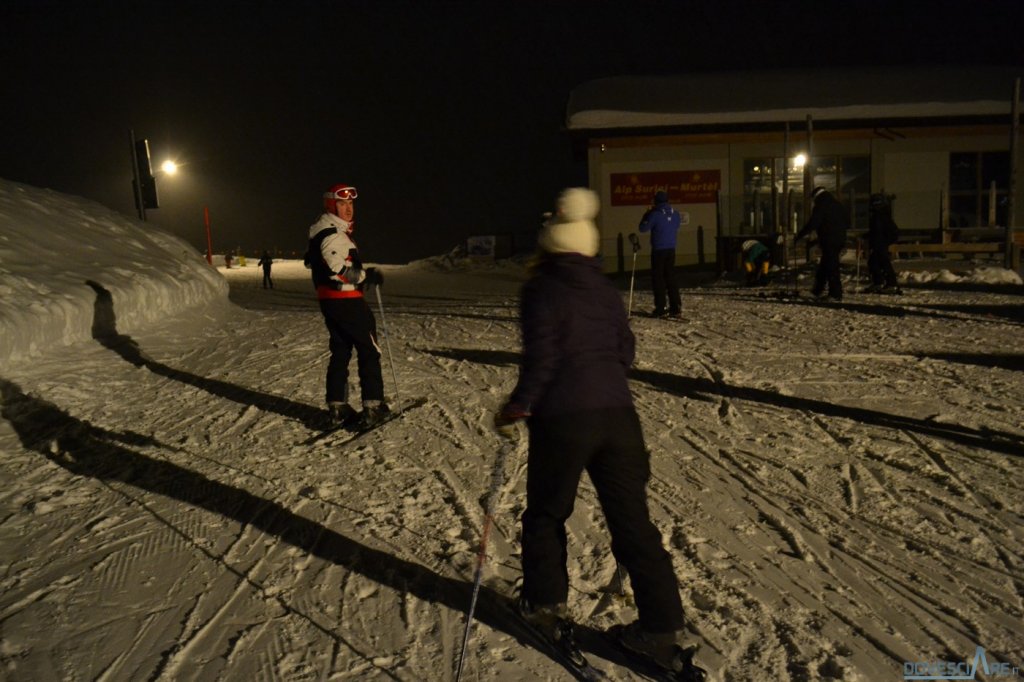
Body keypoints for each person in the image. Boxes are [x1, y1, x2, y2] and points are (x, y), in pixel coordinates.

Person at [495, 188, 702, 675]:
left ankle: (545, 607)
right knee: (635, 529)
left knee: (546, 514)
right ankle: (662, 634)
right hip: (618, 418)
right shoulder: (605, 288)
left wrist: (518, 406)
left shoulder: (541, 287)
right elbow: (625, 349)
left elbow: (542, 358)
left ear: (549, 242)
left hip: (565, 418)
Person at [305, 183, 388, 430]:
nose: (348, 208)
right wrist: (365, 276)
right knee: (369, 350)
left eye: (351, 203)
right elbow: (335, 269)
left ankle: (338, 406)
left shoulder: (321, 231)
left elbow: (313, 262)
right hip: (347, 302)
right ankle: (373, 407)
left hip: (330, 302)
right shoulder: (332, 233)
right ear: (331, 205)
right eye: (342, 203)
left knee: (341, 350)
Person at [795, 186, 849, 301]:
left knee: (831, 266)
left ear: (816, 196)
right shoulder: (837, 204)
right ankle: (817, 290)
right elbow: (847, 221)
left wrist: (800, 235)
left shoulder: (821, 206)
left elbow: (814, 223)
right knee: (825, 264)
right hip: (839, 238)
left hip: (829, 239)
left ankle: (835, 293)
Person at [638, 190, 682, 318]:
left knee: (658, 279)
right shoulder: (675, 214)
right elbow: (676, 226)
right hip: (671, 249)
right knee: (671, 277)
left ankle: (661, 306)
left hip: (658, 250)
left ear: (656, 201)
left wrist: (646, 214)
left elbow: (642, 228)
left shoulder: (655, 214)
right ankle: (676, 306)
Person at [865, 193, 902, 294]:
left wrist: (884, 242)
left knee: (884, 263)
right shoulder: (879, 216)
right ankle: (879, 282)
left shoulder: (881, 216)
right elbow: (875, 231)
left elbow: (888, 231)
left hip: (880, 244)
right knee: (873, 263)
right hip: (879, 243)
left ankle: (891, 284)